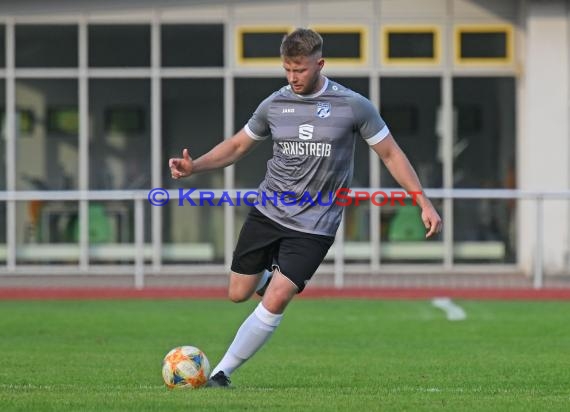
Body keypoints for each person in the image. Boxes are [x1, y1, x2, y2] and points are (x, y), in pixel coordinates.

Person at [168, 28, 442, 388]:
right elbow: (237, 146)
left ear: (320, 63)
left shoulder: (353, 106)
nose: (293, 77)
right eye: (287, 69)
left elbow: (391, 154)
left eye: (300, 69)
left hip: (316, 224)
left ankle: (222, 372)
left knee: (280, 296)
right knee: (237, 292)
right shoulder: (274, 104)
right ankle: (271, 279)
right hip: (268, 212)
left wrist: (422, 200)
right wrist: (195, 166)